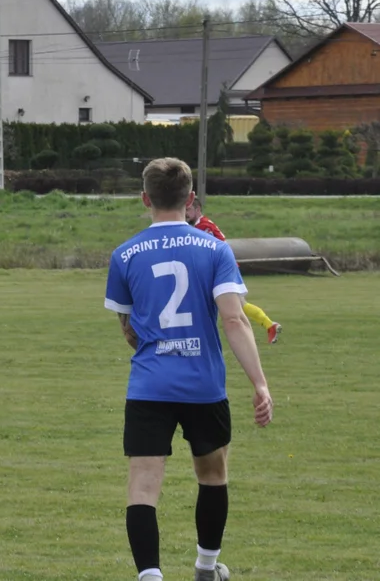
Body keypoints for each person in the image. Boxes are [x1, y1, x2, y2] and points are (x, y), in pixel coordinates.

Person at [104, 158, 273, 581]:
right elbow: (234, 320)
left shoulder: (124, 254)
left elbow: (127, 327)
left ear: (145, 199)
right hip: (204, 386)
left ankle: (150, 576)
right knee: (213, 475)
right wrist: (260, 383)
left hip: (148, 385)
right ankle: (206, 567)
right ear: (190, 199)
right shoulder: (216, 249)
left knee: (143, 485)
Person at [186, 199, 281, 344]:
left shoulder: (203, 226)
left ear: (198, 209)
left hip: (222, 269)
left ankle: (269, 325)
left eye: (188, 210)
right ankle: (269, 325)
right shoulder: (203, 224)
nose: (186, 214)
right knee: (239, 305)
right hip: (223, 268)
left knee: (226, 305)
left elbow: (206, 251)